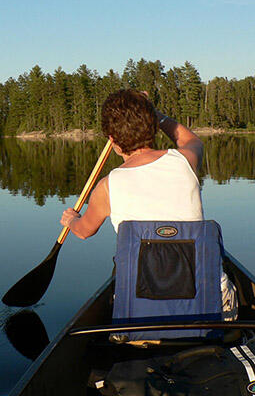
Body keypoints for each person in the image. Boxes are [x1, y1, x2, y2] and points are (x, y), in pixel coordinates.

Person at [60, 89, 237, 320]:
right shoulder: (186, 161)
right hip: (208, 306)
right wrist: (158, 115)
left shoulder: (107, 187)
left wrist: (71, 219)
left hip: (140, 313)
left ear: (112, 141)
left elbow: (84, 231)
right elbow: (191, 140)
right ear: (153, 127)